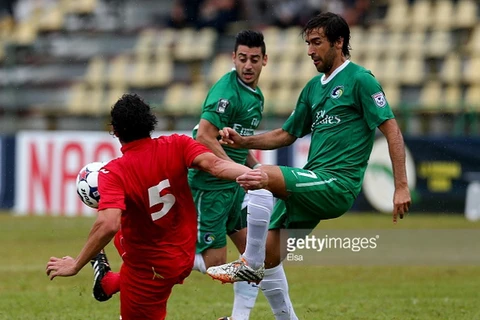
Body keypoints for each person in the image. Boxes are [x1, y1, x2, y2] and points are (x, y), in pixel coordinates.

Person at [207, 12, 412, 320]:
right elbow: (287, 134)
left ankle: (246, 268)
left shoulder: (360, 80)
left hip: (336, 184)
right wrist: (243, 142)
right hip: (311, 185)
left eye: (317, 43)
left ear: (339, 42)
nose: (310, 51)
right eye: (308, 43)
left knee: (261, 177)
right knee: (267, 257)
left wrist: (401, 186)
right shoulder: (313, 88)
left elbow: (392, 130)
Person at [45, 93, 267, 320]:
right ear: (150, 122)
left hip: (147, 272)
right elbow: (217, 165)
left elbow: (107, 225)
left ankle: (108, 281)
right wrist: (258, 176)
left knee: (120, 221)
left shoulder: (113, 173)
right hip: (183, 254)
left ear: (116, 131)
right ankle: (107, 281)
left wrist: (76, 264)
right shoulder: (177, 144)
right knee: (128, 219)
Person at [187, 29, 272, 320]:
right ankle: (159, 259)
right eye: (243, 59)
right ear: (233, 58)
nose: (248, 66)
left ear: (265, 61)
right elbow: (205, 137)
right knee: (216, 263)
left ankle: (238, 318)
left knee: (255, 258)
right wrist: (238, 173)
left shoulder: (256, 95)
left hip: (233, 186)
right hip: (211, 185)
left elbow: (240, 141)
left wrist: (254, 167)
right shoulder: (225, 92)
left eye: (255, 59)